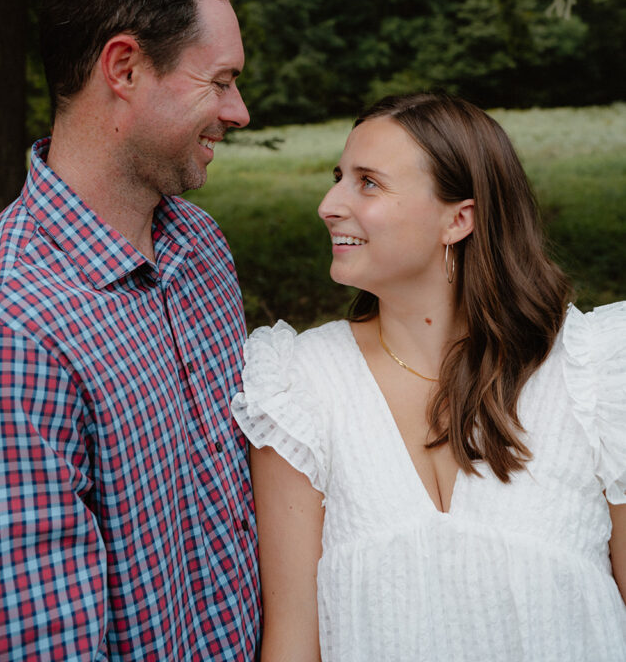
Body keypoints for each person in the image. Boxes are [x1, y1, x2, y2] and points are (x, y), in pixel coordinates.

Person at [0, 0, 260, 661]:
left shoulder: (201, 248)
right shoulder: (2, 329)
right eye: (218, 81)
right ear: (124, 67)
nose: (237, 111)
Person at [232, 91, 626, 662]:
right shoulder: (300, 385)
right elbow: (292, 641)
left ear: (458, 219)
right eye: (338, 176)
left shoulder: (594, 374)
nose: (328, 203)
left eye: (368, 182)